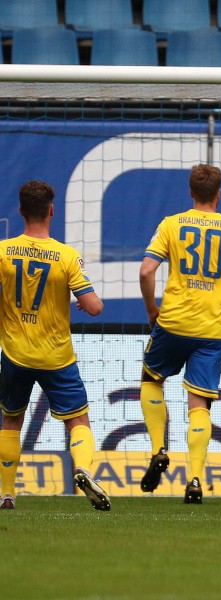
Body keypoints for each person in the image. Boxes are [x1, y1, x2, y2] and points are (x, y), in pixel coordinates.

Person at [138, 164, 221, 504]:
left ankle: (159, 447)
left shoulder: (171, 224)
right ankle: (194, 478)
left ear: (190, 192)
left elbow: (147, 271)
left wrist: (151, 309)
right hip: (212, 328)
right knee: (199, 402)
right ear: (219, 194)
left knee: (151, 380)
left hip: (172, 322)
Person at [0, 181, 110, 511]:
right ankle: (83, 469)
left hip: (15, 353)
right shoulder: (66, 256)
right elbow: (93, 307)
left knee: (10, 421)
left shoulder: (3, 251)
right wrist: (84, 301)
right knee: (78, 421)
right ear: (52, 210)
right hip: (56, 356)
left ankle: (6, 494)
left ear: (20, 211)